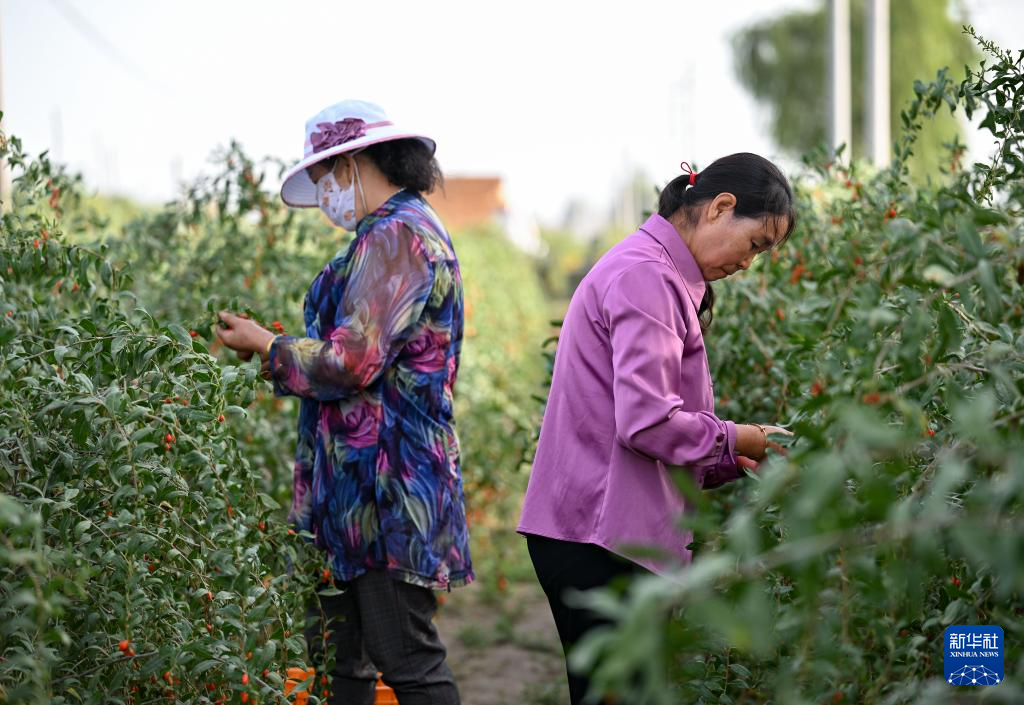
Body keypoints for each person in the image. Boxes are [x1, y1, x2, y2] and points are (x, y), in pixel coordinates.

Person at [517, 153, 797, 705]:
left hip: (598, 532)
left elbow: (652, 420)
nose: (749, 263)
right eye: (758, 243)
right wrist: (740, 435)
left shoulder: (651, 270)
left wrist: (733, 458)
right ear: (721, 207)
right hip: (599, 540)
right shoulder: (646, 276)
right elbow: (648, 423)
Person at [215, 99, 470, 705]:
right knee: (339, 660)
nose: (327, 192)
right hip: (355, 491)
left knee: (404, 657)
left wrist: (267, 344)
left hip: (386, 489)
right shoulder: (385, 234)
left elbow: (351, 360)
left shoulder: (398, 236)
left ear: (355, 162)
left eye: (328, 178)